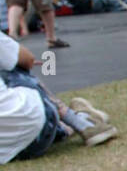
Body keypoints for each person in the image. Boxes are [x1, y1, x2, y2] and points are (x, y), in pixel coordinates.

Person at [1, 29, 115, 162]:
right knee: (13, 68)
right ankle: (78, 120)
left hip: (16, 153)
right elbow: (28, 59)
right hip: (38, 136)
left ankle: (73, 121)